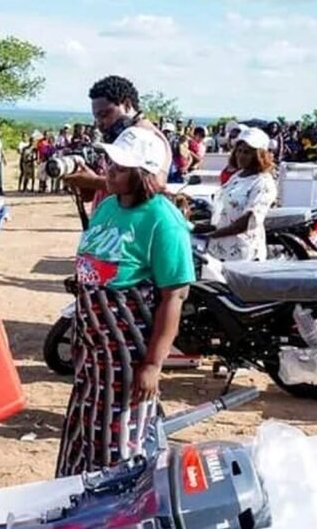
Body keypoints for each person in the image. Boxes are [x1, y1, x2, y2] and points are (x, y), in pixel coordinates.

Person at [56, 125, 195, 477]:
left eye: (121, 167)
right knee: (83, 428)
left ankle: (112, 506)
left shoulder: (163, 220)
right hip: (93, 349)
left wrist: (152, 365)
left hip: (127, 355)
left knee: (118, 441)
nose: (110, 171)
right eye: (111, 163)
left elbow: (174, 296)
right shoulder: (108, 207)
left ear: (143, 174)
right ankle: (76, 494)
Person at [63, 75, 172, 211]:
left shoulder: (149, 136)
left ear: (127, 105)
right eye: (97, 117)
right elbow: (94, 194)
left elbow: (155, 185)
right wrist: (80, 179)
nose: (100, 124)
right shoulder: (120, 138)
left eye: (105, 115)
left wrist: (94, 181)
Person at [195, 127, 277, 262]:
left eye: (247, 152)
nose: (241, 156)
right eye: (239, 150)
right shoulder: (237, 176)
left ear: (259, 155)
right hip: (219, 250)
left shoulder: (263, 182)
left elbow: (248, 222)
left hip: (242, 254)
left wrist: (212, 234)